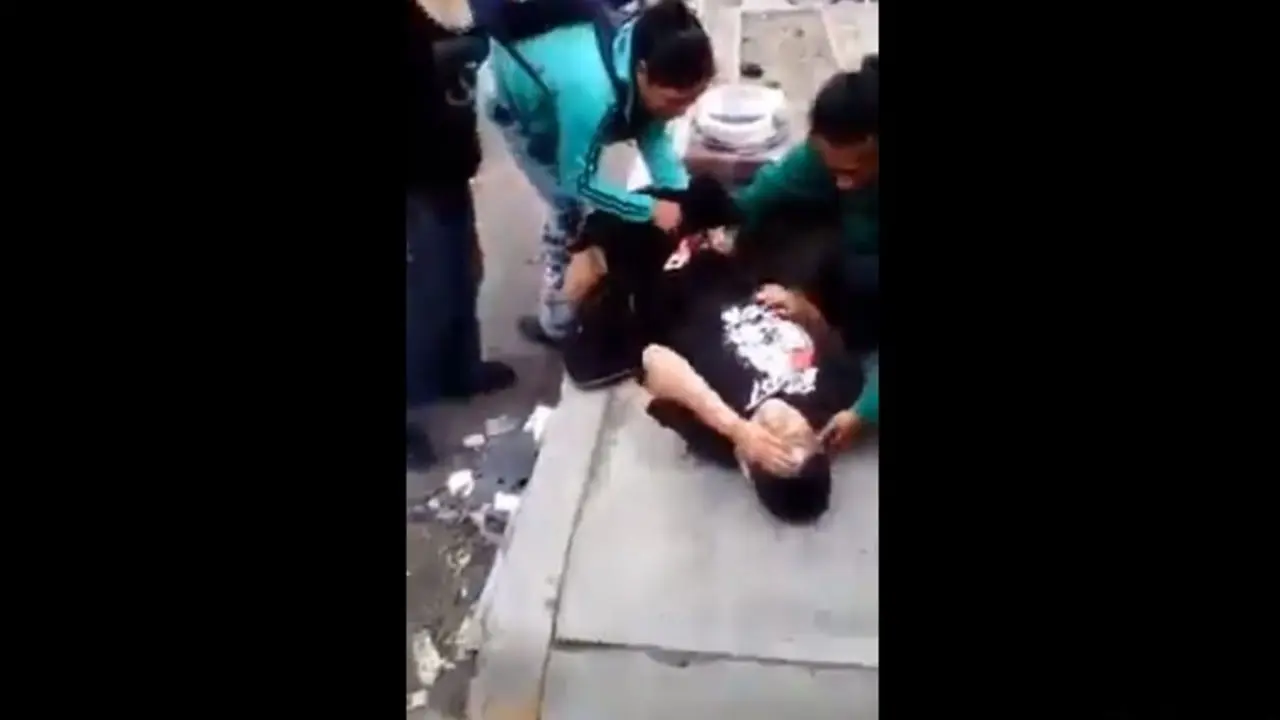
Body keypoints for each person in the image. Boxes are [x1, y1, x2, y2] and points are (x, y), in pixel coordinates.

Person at [575, 204, 865, 523]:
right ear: (819, 441)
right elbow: (829, 336)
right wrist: (803, 310)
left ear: (746, 466)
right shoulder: (836, 395)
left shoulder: (719, 440)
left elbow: (653, 359)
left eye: (771, 447)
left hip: (664, 276)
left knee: (600, 238)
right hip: (726, 255)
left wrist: (735, 429)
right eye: (796, 438)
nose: (778, 429)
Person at [478, 0, 716, 347]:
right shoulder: (591, 93)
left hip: (563, 85)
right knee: (569, 209)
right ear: (642, 72)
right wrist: (649, 209)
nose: (681, 112)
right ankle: (557, 321)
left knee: (601, 172)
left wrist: (683, 201)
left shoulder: (643, 50)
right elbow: (577, 178)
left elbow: (653, 134)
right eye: (675, 101)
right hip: (519, 103)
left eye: (691, 100)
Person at [733, 55, 880, 447]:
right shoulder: (822, 156)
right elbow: (763, 193)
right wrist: (719, 226)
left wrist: (864, 411)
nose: (843, 183)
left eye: (854, 171)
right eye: (833, 172)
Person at [407, 0, 518, 470]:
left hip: (444, 165)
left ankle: (457, 370)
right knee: (423, 294)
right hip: (415, 175)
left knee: (459, 273)